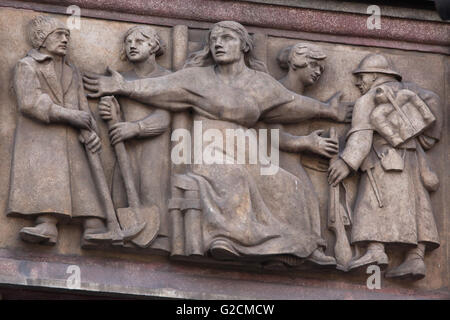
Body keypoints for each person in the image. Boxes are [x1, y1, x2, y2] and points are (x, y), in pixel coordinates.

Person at [84, 21, 352, 266]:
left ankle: (291, 248)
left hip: (249, 153)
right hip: (210, 151)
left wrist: (329, 111)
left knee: (287, 185)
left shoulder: (260, 83)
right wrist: (121, 87)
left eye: (227, 38)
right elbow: (159, 87)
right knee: (230, 177)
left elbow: (292, 104)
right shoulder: (197, 77)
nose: (218, 44)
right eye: (214, 40)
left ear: (244, 45)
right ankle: (224, 240)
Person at [328, 53, 442, 279]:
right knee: (417, 205)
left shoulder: (368, 100)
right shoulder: (413, 93)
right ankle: (415, 258)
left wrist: (346, 163)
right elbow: (432, 122)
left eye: (362, 77)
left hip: (382, 161)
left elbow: (361, 137)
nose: (358, 82)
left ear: (376, 76)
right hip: (411, 160)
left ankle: (375, 251)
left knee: (373, 203)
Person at [7, 15, 108, 246]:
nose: (65, 40)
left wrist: (93, 132)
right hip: (43, 138)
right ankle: (47, 223)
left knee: (83, 180)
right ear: (42, 39)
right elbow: (30, 102)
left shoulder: (72, 71)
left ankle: (94, 226)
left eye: (67, 36)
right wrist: (70, 116)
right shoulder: (27, 65)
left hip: (73, 138)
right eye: (59, 35)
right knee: (48, 179)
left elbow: (83, 107)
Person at [98, 25, 172, 251]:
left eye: (139, 41)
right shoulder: (121, 78)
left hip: (155, 146)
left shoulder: (167, 78)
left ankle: (159, 237)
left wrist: (137, 128)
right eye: (128, 42)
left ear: (154, 46)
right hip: (124, 144)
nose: (132, 45)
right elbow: (116, 112)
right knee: (122, 186)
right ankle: (125, 233)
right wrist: (111, 112)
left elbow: (165, 115)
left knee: (152, 186)